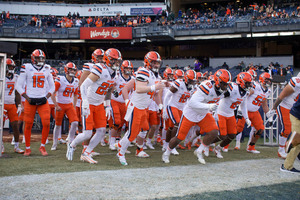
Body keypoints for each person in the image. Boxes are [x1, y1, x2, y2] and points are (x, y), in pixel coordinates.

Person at [162, 69, 231, 164]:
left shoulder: (224, 91)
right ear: (217, 81)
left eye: (227, 84)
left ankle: (199, 151)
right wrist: (209, 106)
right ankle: (167, 152)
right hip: (191, 113)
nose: (225, 86)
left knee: (214, 132)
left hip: (203, 114)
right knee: (179, 137)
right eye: (224, 84)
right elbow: (192, 103)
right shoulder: (207, 87)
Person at [66, 48, 122, 164]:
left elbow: (108, 91)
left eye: (118, 61)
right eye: (115, 61)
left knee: (101, 131)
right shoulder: (100, 68)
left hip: (99, 104)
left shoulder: (114, 73)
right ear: (108, 60)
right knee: (87, 133)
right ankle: (72, 145)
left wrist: (107, 106)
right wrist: (85, 101)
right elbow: (83, 86)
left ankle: (86, 153)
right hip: (89, 103)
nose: (117, 63)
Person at [116, 51, 165, 165]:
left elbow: (156, 93)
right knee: (132, 133)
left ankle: (121, 145)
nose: (157, 65)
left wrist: (160, 106)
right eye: (154, 62)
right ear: (148, 62)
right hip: (136, 107)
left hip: (143, 107)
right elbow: (139, 89)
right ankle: (121, 153)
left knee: (144, 128)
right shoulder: (143, 71)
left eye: (158, 63)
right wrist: (155, 86)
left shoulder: (152, 74)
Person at [16, 49, 55, 156]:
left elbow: (52, 86)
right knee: (28, 124)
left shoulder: (47, 68)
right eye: (38, 58)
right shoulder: (27, 67)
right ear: (33, 58)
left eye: (42, 58)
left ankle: (42, 146)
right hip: (30, 100)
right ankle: (27, 148)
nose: (41, 60)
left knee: (46, 123)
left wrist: (46, 97)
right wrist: (27, 98)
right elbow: (18, 86)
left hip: (43, 100)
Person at [213, 72, 252, 158]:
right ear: (241, 81)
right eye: (247, 83)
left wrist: (246, 118)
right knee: (223, 135)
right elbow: (220, 96)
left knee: (232, 135)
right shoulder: (233, 88)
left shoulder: (245, 92)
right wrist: (213, 106)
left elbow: (243, 105)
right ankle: (207, 144)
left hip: (230, 114)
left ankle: (218, 148)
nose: (249, 85)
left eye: (249, 83)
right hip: (221, 112)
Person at [266, 74, 300, 169]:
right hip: (285, 106)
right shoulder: (297, 82)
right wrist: (273, 108)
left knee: (295, 132)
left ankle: (292, 152)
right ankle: (281, 150)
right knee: (287, 129)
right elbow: (282, 95)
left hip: (295, 108)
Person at [163, 70, 197, 155]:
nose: (192, 82)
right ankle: (172, 147)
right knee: (177, 124)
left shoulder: (192, 88)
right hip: (172, 106)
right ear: (186, 79)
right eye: (191, 80)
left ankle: (166, 144)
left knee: (171, 127)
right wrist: (164, 109)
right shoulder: (179, 83)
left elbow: (189, 100)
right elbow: (167, 96)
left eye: (193, 81)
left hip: (181, 108)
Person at [50, 62, 79, 150]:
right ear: (66, 70)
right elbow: (52, 92)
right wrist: (56, 105)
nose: (72, 71)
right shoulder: (60, 79)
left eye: (74, 70)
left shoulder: (76, 81)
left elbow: (75, 95)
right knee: (58, 125)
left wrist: (73, 106)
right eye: (70, 69)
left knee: (75, 122)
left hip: (69, 104)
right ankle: (54, 143)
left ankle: (70, 140)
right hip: (60, 104)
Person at [108, 60, 133, 151]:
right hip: (115, 101)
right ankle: (112, 142)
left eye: (129, 68)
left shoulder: (132, 79)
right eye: (126, 68)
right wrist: (114, 90)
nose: (128, 70)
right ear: (122, 68)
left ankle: (119, 143)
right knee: (116, 122)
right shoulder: (117, 76)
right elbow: (111, 85)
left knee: (124, 123)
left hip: (126, 103)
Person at [3, 58, 24, 154]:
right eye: (10, 66)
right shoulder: (1, 76)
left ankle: (16, 146)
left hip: (11, 104)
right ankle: (1, 145)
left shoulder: (16, 77)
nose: (11, 68)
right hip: (2, 104)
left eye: (12, 66)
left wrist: (19, 105)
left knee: (15, 126)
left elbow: (17, 93)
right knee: (1, 126)